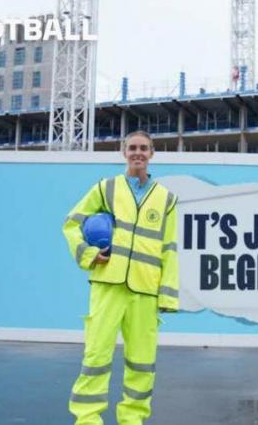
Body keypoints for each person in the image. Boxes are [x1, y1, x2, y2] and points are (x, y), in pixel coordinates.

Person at [62, 130, 179, 425]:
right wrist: (88, 255)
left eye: (143, 148)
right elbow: (71, 224)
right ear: (123, 152)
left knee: (142, 363)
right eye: (132, 148)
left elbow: (170, 249)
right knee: (96, 357)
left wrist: (167, 294)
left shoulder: (167, 199)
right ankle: (87, 419)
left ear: (152, 153)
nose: (137, 153)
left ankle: (133, 420)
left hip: (146, 291)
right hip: (107, 285)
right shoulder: (106, 188)